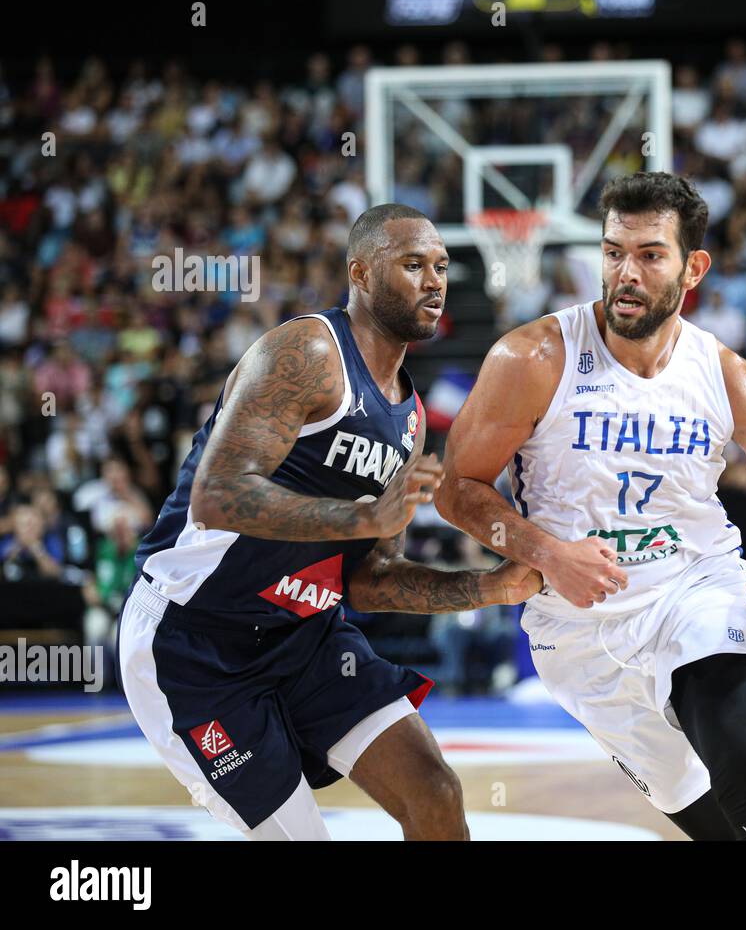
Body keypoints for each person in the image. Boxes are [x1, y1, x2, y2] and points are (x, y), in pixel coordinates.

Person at [435, 173, 746, 841]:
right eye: (612, 252)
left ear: (694, 268)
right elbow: (456, 490)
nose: (626, 273)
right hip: (578, 630)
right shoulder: (533, 357)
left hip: (693, 586)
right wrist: (545, 551)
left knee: (743, 764)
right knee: (718, 826)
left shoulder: (729, 376)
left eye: (650, 255)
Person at [118, 205, 541, 841]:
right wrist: (366, 513)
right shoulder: (309, 351)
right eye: (413, 264)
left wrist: (488, 588)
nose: (434, 281)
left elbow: (369, 578)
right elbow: (217, 495)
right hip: (196, 643)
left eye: (442, 267)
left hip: (308, 639)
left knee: (435, 793)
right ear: (362, 274)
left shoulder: (411, 417)